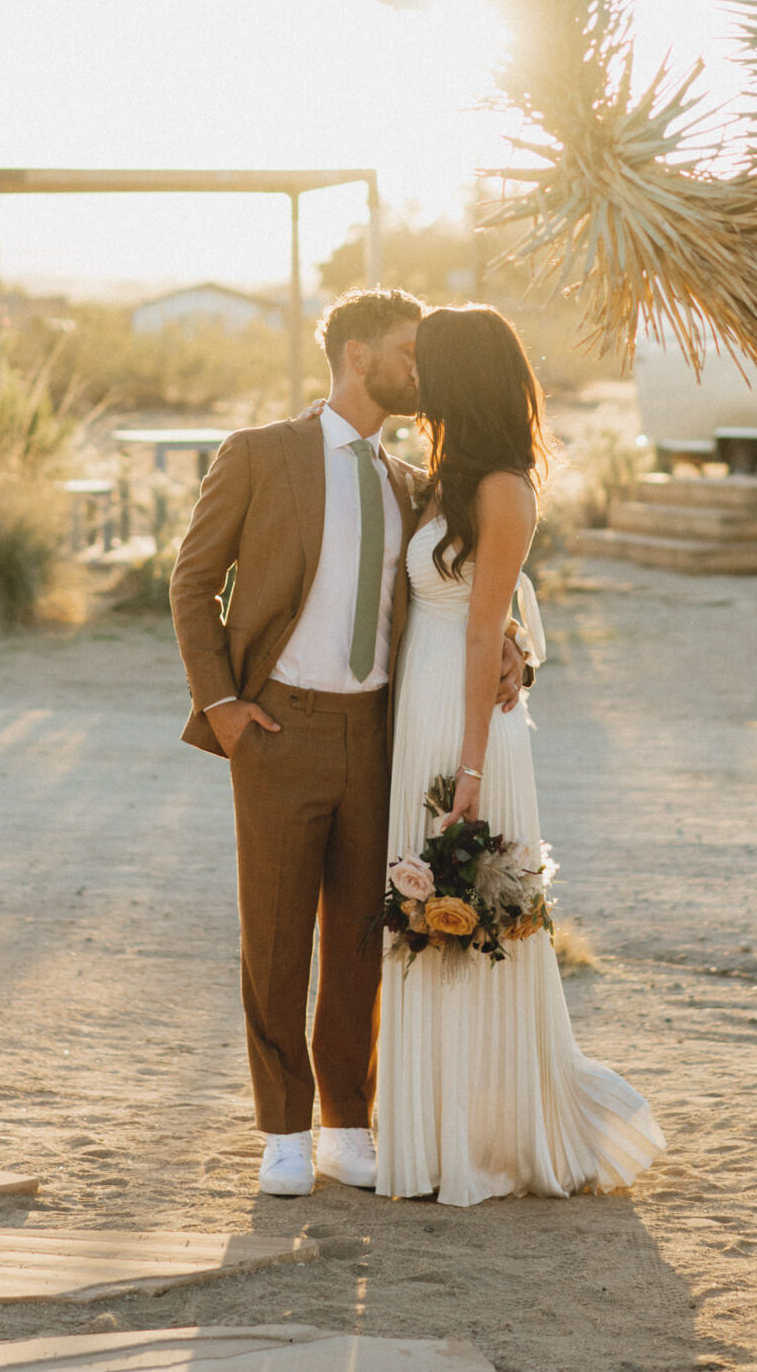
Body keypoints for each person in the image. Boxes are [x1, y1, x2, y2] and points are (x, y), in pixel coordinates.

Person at [170, 288, 527, 1199]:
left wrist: (518, 653)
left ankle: (344, 1122)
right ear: (358, 355)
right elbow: (193, 579)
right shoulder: (261, 453)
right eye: (409, 351)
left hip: (378, 734)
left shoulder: (413, 483)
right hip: (275, 728)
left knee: (363, 943)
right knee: (277, 938)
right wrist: (221, 704)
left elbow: (472, 590)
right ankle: (284, 1128)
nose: (422, 369)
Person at [376, 304, 665, 1204]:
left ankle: (483, 1142)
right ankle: (423, 1131)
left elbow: (479, 626)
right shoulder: (440, 479)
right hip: (416, 706)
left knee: (467, 918)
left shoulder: (502, 486)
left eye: (428, 363)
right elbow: (494, 603)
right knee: (416, 919)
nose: (414, 376)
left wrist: (467, 770)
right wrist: (516, 635)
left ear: (462, 376)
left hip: (466, 727)